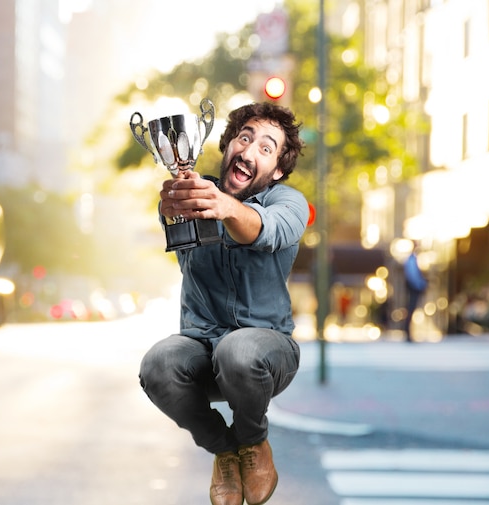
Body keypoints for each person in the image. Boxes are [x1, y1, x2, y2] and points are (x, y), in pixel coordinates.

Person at [139, 102, 308, 505]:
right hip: (200, 348)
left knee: (238, 350)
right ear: (228, 144)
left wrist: (225, 207)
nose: (249, 151)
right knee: (157, 364)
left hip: (266, 355)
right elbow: (175, 215)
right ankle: (225, 450)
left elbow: (264, 230)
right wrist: (170, 209)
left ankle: (253, 441)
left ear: (278, 170)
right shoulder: (195, 195)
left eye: (266, 148)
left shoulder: (289, 203)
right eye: (244, 138)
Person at [403, 247, 428, 342]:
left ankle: (408, 332)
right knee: (410, 310)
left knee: (411, 310)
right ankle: (407, 332)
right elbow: (413, 275)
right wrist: (421, 285)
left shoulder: (412, 260)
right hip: (414, 288)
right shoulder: (412, 260)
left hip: (414, 287)